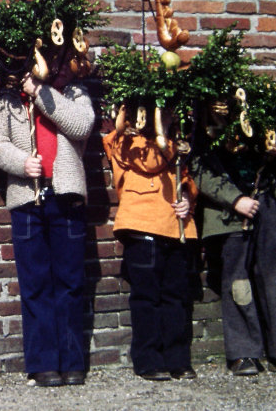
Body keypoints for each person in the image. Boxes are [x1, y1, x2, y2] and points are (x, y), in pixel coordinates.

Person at [0, 60, 95, 387]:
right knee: (36, 284)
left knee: (70, 281)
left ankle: (72, 362)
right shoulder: (9, 100)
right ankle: (44, 363)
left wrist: (41, 92)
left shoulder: (75, 93)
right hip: (27, 199)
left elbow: (81, 125)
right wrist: (21, 162)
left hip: (66, 197)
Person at [189, 140, 276, 376]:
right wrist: (234, 199)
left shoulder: (260, 115)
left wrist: (275, 152)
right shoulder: (202, 119)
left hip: (265, 203)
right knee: (238, 281)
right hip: (229, 212)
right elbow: (198, 168)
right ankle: (243, 353)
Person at [102, 120, 198, 382]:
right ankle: (148, 360)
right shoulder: (124, 139)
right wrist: (171, 144)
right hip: (143, 227)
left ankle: (177, 359)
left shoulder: (174, 138)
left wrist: (188, 196)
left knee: (175, 297)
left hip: (174, 226)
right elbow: (151, 161)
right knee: (146, 297)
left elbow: (185, 174)